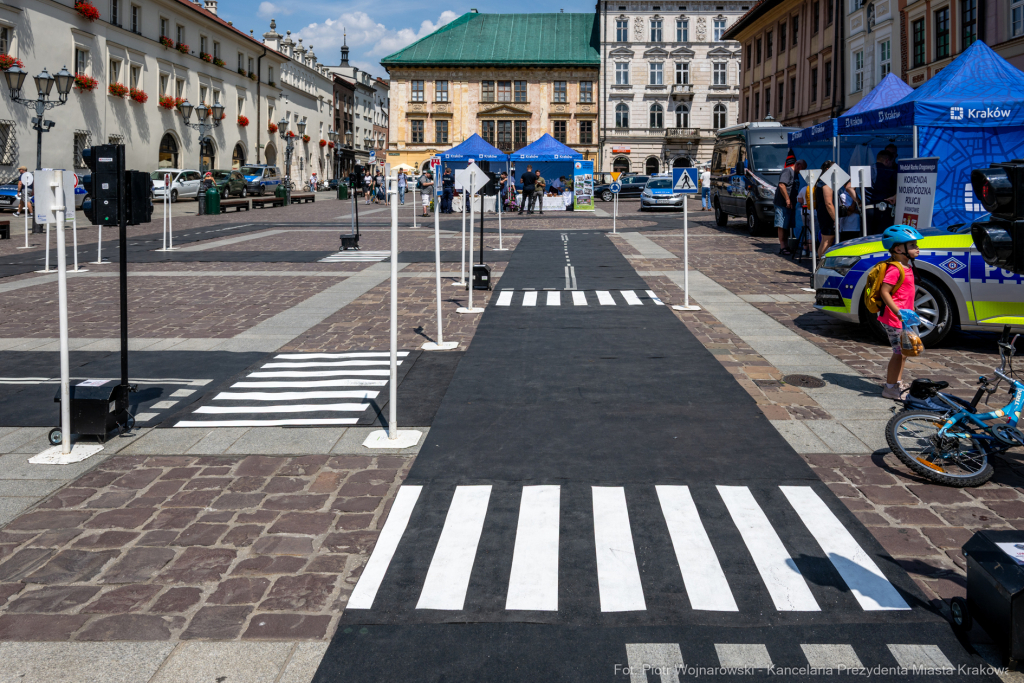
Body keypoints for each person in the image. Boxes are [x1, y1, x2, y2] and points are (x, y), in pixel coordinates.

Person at [878, 225, 924, 400]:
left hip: (904, 318)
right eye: (912, 245)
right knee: (899, 353)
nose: (917, 248)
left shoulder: (906, 267)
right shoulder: (895, 269)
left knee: (904, 352)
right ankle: (890, 388)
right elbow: (884, 292)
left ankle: (896, 383)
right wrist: (898, 312)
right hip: (895, 318)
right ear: (898, 249)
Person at [774, 159, 805, 255]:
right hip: (782, 203)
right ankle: (783, 247)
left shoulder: (796, 174)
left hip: (790, 204)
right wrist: (787, 199)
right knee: (782, 225)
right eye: (802, 169)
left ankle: (786, 246)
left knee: (787, 225)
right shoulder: (788, 171)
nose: (802, 171)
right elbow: (782, 185)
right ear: (798, 165)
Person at [814, 161, 839, 257]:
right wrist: (835, 219)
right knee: (827, 241)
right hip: (826, 215)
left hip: (823, 214)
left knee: (825, 240)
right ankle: (821, 263)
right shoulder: (825, 183)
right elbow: (828, 203)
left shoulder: (821, 182)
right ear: (827, 170)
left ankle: (820, 263)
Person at [870, 150, 898, 234]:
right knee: (884, 236)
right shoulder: (891, 171)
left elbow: (849, 187)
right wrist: (896, 196)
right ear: (887, 160)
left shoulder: (865, 171)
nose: (892, 164)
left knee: (868, 237)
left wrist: (859, 202)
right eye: (891, 162)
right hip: (886, 211)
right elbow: (902, 188)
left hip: (868, 210)